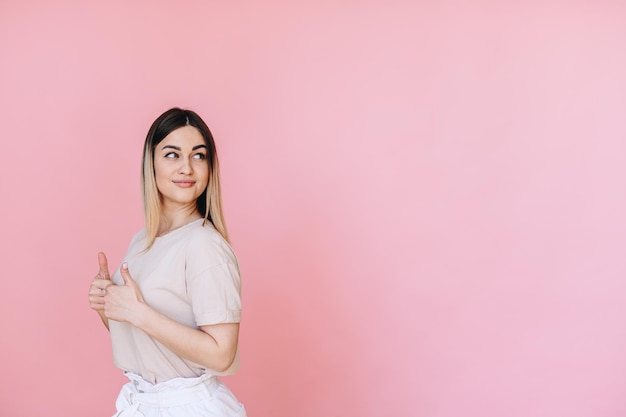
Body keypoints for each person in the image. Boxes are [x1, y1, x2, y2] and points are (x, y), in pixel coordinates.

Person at [88, 108, 246, 417]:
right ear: (151, 164)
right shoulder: (142, 241)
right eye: (172, 155)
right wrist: (109, 306)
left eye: (198, 156)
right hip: (143, 402)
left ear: (210, 168)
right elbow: (148, 343)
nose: (187, 167)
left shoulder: (204, 244)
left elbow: (222, 355)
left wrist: (138, 312)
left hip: (190, 408)